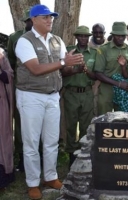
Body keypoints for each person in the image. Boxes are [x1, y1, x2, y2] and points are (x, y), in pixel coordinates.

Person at [14, 4, 84, 199]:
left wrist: (75, 65)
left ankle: (51, 177)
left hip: (53, 96)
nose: (49, 20)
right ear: (33, 19)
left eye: (51, 17)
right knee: (31, 142)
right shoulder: (24, 41)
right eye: (45, 17)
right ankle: (32, 183)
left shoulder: (57, 41)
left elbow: (62, 68)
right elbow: (35, 69)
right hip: (31, 96)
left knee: (52, 141)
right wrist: (64, 62)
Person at [62, 26, 97, 168]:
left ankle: (84, 157)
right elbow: (61, 72)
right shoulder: (69, 51)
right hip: (71, 93)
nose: (83, 38)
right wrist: (74, 70)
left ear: (88, 37)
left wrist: (86, 71)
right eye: (80, 36)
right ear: (76, 37)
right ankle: (71, 157)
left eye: (85, 36)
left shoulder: (94, 53)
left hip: (87, 93)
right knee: (70, 126)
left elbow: (96, 75)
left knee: (85, 127)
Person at [6, 8, 33, 172]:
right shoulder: (15, 37)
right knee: (21, 121)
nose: (31, 23)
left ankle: (39, 157)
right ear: (26, 21)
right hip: (21, 85)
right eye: (29, 20)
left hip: (39, 86)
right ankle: (21, 158)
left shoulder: (44, 38)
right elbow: (10, 60)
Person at [94, 22, 128, 115]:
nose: (121, 38)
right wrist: (118, 84)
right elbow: (98, 73)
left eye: (123, 35)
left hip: (123, 89)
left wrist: (123, 68)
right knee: (104, 119)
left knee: (122, 120)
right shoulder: (103, 49)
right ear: (113, 35)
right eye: (118, 35)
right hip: (107, 88)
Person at [0, 47, 15, 191]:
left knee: (2, 137)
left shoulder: (1, 54)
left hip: (1, 103)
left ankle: (3, 174)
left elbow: (9, 76)